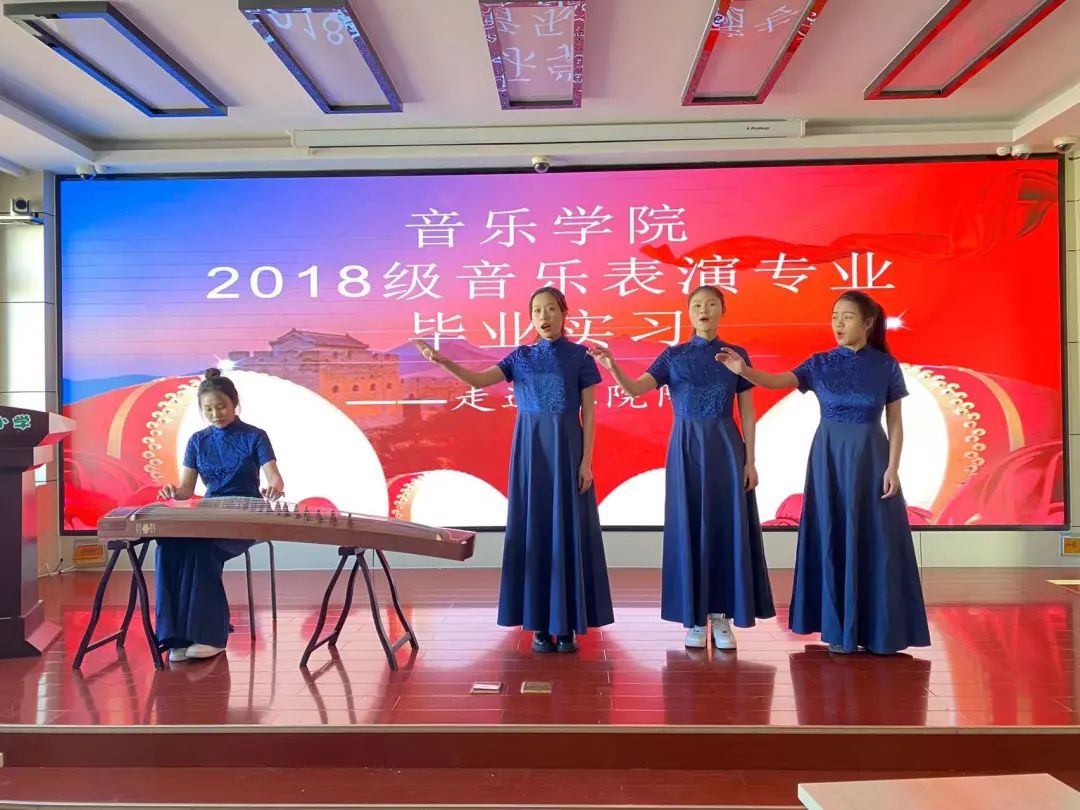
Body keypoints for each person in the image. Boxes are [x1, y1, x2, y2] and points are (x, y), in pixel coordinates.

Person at [717, 291, 930, 654]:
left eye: (847, 317)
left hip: (872, 459)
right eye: (835, 316)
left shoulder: (886, 366)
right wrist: (744, 371)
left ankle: (879, 632)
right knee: (833, 535)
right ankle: (838, 629)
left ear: (868, 323)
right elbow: (777, 380)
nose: (838, 324)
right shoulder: (819, 363)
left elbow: (895, 422)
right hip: (828, 459)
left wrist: (893, 467)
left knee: (877, 541)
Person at [415, 287, 613, 653]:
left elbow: (589, 413)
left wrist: (586, 461)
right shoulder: (520, 357)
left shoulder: (580, 357)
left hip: (568, 450)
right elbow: (478, 381)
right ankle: (539, 625)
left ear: (564, 313)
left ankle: (566, 625)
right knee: (535, 532)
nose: (544, 316)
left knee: (566, 532)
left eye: (551, 309)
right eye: (537, 310)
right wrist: (441, 361)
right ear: (531, 316)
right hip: (530, 453)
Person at [590, 285, 774, 650]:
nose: (703, 310)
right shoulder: (673, 356)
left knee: (724, 528)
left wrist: (750, 460)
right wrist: (613, 367)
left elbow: (748, 413)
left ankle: (721, 617)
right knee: (690, 526)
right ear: (688, 313)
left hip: (726, 447)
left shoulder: (736, 355)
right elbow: (635, 389)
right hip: (686, 449)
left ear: (722, 311)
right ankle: (693, 618)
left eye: (711, 304)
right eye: (697, 305)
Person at [156, 368, 284, 662]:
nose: (216, 414)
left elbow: (274, 476)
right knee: (169, 546)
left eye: (221, 406)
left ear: (235, 403)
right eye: (208, 409)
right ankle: (177, 637)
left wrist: (274, 487)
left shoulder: (255, 436)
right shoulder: (197, 441)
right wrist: (172, 491)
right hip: (211, 514)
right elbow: (186, 490)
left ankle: (211, 636)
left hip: (246, 516)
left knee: (202, 550)